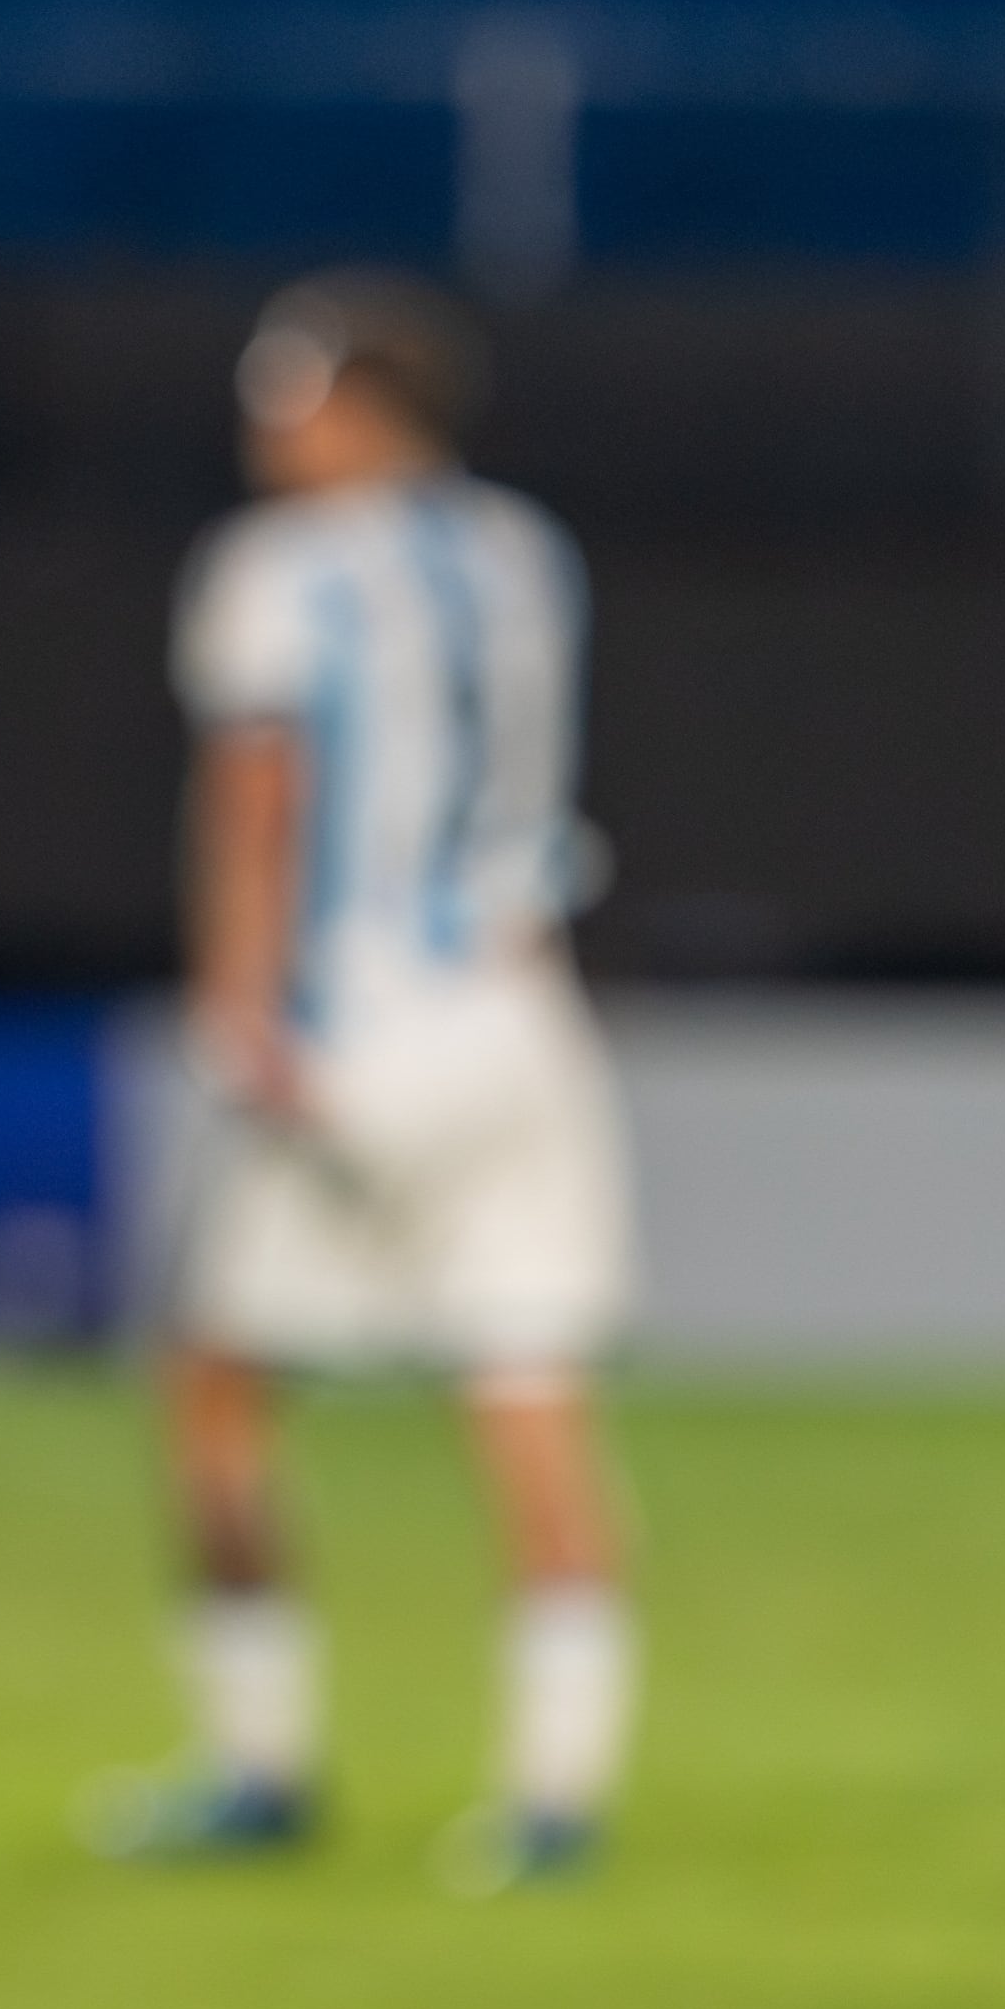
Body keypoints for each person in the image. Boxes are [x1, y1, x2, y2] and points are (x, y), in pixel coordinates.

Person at [93, 265, 636, 1895]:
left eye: (287, 386)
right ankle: (556, 1794)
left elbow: (262, 792)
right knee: (530, 1394)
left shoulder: (276, 569)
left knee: (213, 1389)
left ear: (358, 404)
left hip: (360, 1022)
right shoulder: (526, 552)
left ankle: (258, 1765)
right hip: (523, 1006)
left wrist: (238, 1003)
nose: (262, 416)